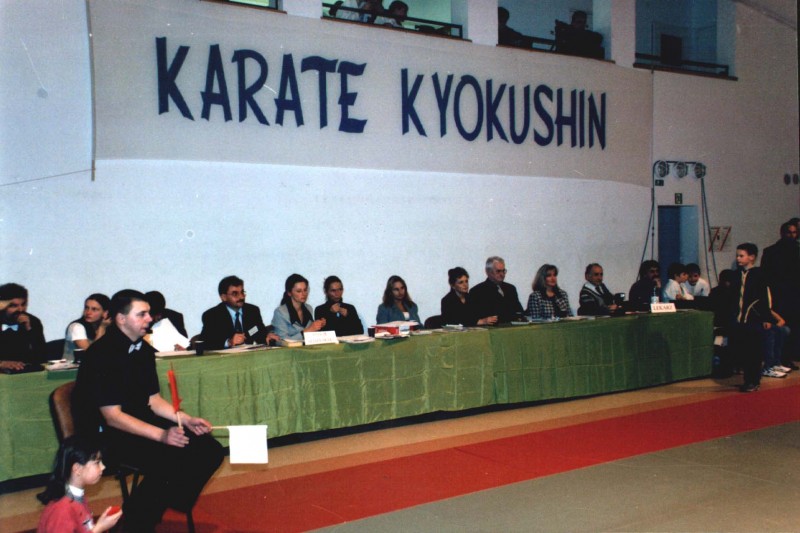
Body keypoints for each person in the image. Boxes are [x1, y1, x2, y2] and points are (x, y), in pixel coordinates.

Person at [74, 289, 224, 532]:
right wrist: (162, 435)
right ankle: (138, 521)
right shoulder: (102, 354)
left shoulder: (142, 350)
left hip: (137, 424)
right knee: (170, 458)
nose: (149, 318)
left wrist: (186, 420)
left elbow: (153, 400)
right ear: (121, 319)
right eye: (141, 314)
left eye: (148, 313)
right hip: (105, 434)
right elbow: (112, 417)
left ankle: (155, 506)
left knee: (210, 449)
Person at [36, 435, 123, 533]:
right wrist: (99, 529)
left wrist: (100, 525)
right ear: (77, 469)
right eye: (97, 462)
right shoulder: (62, 510)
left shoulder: (76, 497)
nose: (103, 467)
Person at [729, 244, 777, 392]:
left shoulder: (759, 274)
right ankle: (747, 380)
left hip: (754, 320)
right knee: (744, 351)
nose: (738, 258)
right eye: (737, 256)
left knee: (754, 352)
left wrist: (766, 318)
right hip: (740, 320)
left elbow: (765, 297)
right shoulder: (736, 275)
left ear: (751, 257)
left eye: (741, 256)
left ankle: (754, 381)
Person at [761, 220, 800, 370]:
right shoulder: (771, 252)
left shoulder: (797, 250)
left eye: (795, 232)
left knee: (794, 329)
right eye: (789, 232)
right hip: (778, 297)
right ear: (782, 233)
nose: (792, 235)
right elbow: (766, 277)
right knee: (780, 329)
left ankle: (788, 357)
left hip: (795, 296)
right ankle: (777, 359)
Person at [200, 275, 278, 350]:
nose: (241, 297)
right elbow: (204, 342)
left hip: (249, 355)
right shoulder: (212, 315)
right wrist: (229, 342)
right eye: (235, 294)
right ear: (224, 297)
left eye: (242, 292)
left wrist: (267, 337)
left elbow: (258, 331)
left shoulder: (252, 311)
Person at [0, 282, 47, 365]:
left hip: (24, 370)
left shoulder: (33, 321)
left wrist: (29, 329)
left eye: (23, 304)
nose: (20, 309)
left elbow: (42, 357)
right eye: (13, 306)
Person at [272, 274, 326, 341]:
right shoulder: (280, 312)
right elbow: (282, 340)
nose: (304, 294)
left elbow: (311, 334)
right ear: (289, 293)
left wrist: (319, 325)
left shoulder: (309, 308)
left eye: (305, 290)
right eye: (299, 291)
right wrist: (307, 331)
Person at [469, 256, 524, 323]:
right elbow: (476, 317)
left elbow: (519, 311)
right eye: (498, 271)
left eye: (503, 271)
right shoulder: (477, 291)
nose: (502, 274)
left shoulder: (511, 289)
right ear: (488, 272)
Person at [63, 294, 111, 362]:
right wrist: (102, 328)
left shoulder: (110, 327)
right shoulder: (76, 327)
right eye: (86, 308)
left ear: (105, 313)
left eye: (94, 309)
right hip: (74, 368)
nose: (88, 312)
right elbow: (91, 354)